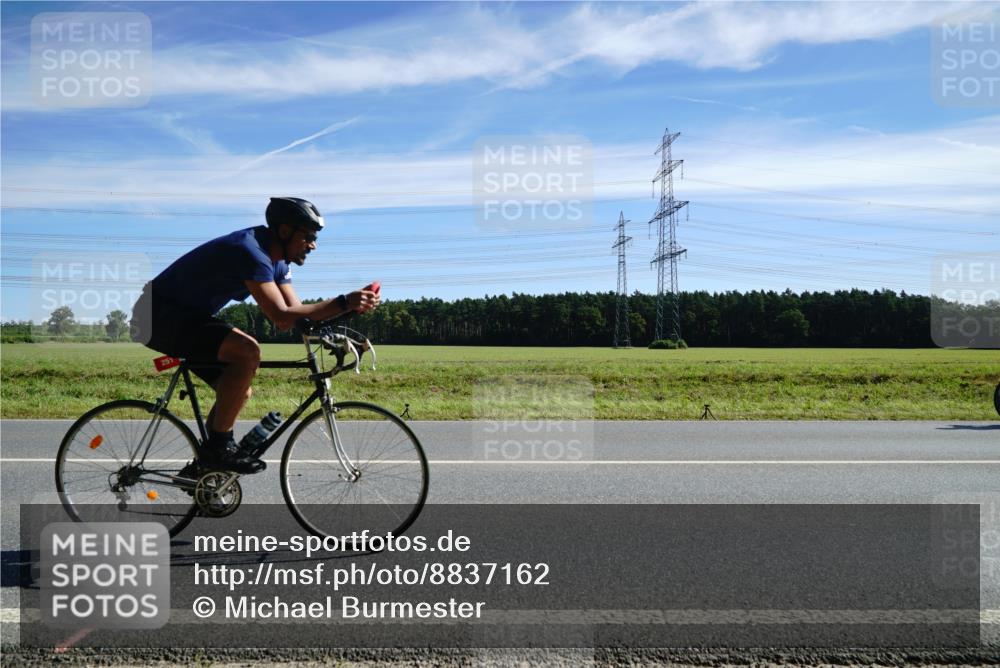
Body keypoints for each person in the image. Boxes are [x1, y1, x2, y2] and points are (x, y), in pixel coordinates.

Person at [131, 197, 380, 473]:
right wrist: (344, 301)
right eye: (308, 237)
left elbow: (298, 315)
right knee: (248, 351)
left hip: (184, 317)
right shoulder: (250, 251)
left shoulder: (278, 262)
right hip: (156, 316)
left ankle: (205, 470)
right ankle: (218, 451)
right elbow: (281, 316)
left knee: (238, 390)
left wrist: (346, 319)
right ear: (284, 231)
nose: (313, 245)